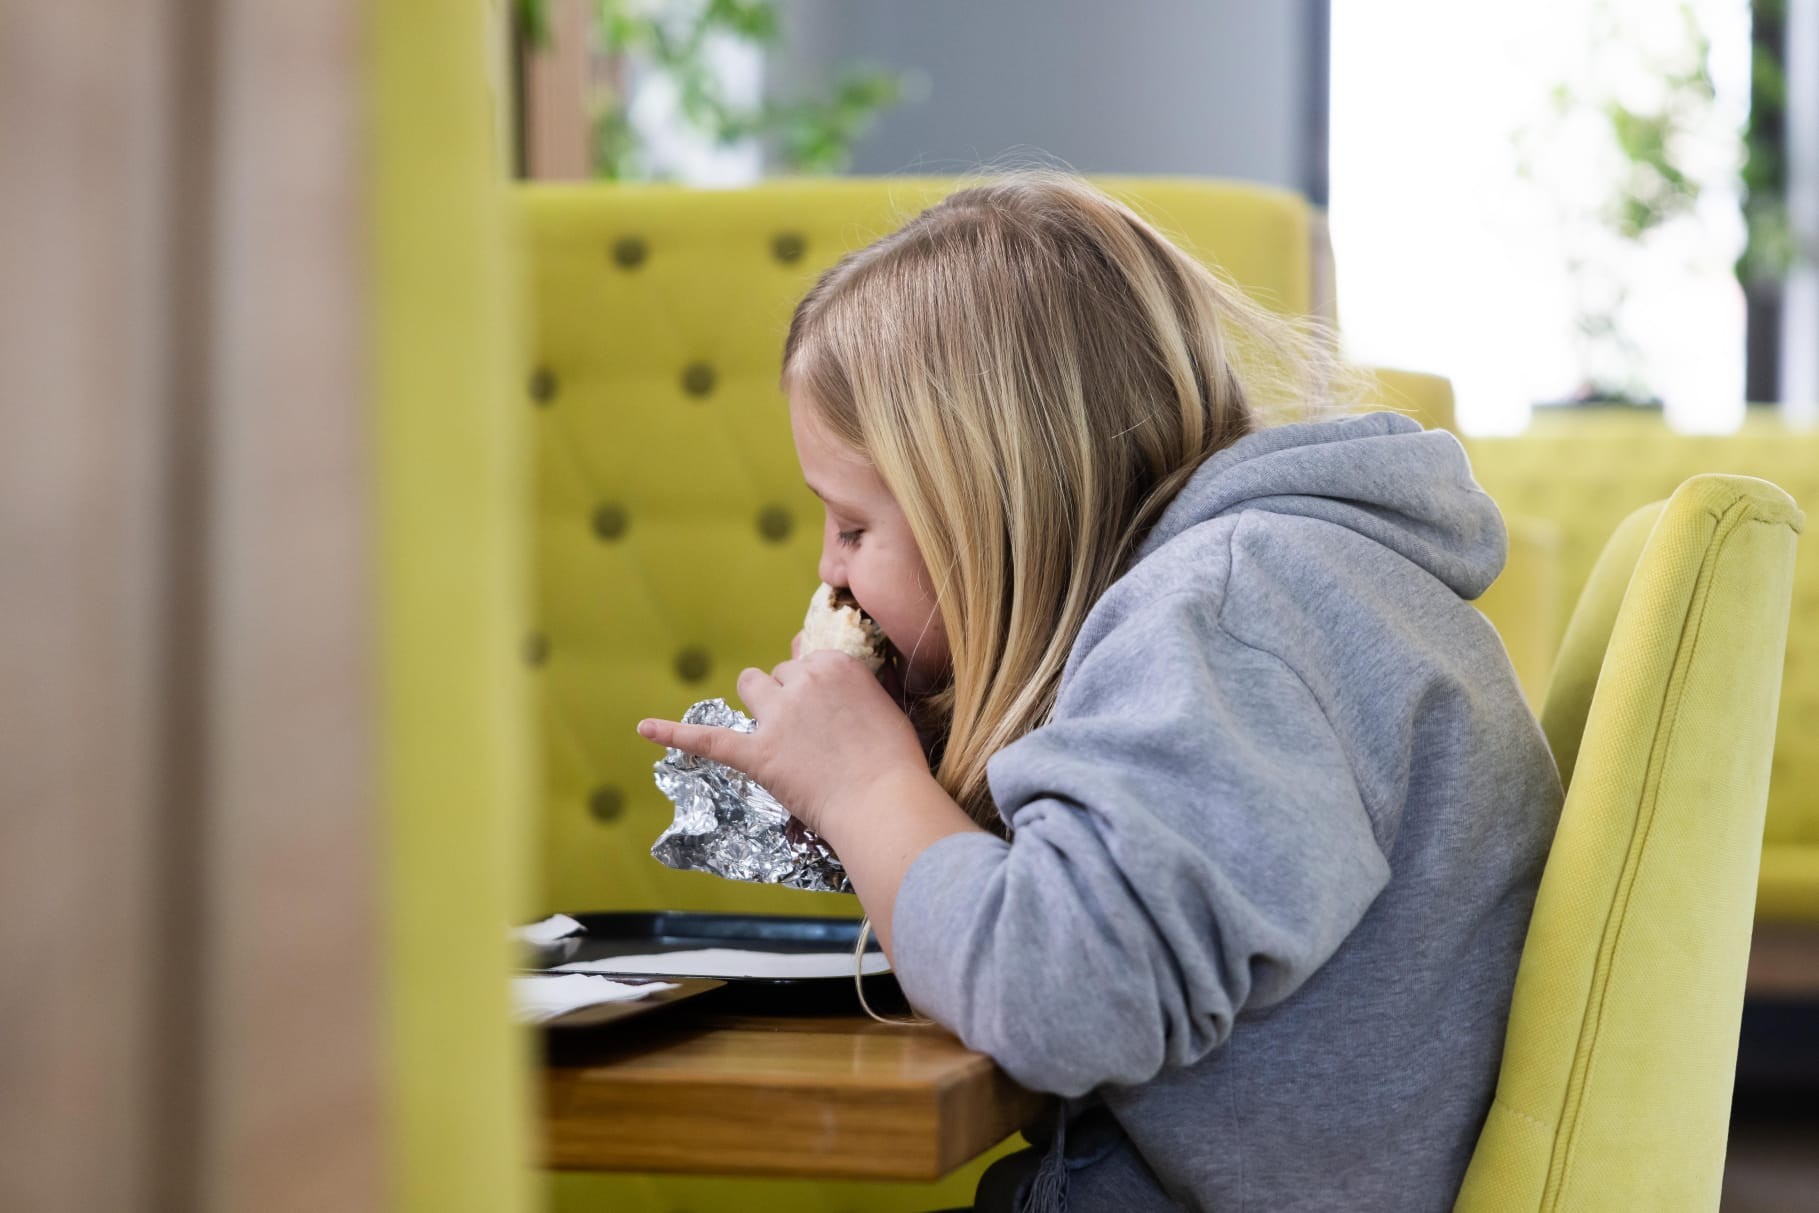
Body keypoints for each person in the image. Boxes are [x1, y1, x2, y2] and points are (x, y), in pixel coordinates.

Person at [634, 169, 1563, 1212]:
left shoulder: (1229, 612)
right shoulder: (1253, 598)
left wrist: (867, 788)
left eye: (852, 526)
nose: (828, 571)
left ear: (988, 506)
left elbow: (1056, 995)